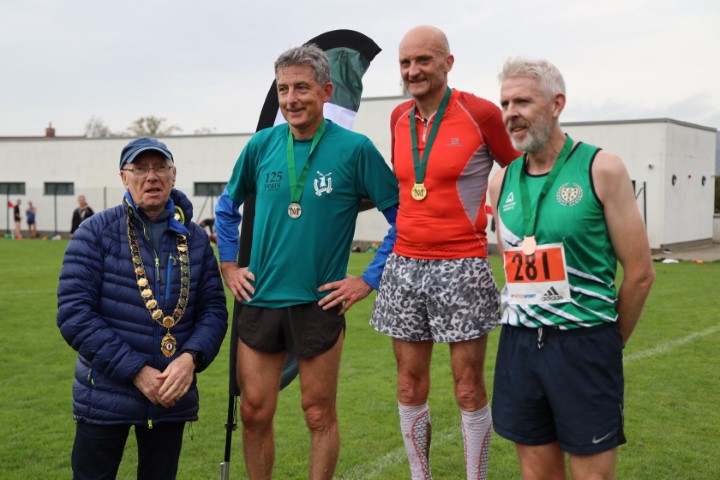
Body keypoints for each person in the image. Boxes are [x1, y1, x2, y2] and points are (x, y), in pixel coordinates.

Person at [214, 44, 399, 480]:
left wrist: (367, 280)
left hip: (320, 302)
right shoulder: (261, 145)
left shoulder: (356, 149)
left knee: (318, 414)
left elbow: (403, 220)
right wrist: (229, 266)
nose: (291, 99)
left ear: (326, 91)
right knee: (254, 411)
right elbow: (226, 208)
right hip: (260, 297)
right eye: (283, 89)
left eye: (302, 87)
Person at [488, 57, 655, 479]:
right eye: (505, 103)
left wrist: (606, 341)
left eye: (523, 101)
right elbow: (512, 263)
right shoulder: (501, 181)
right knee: (536, 474)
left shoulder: (602, 168)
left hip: (585, 343)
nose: (511, 113)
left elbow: (640, 273)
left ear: (557, 104)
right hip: (519, 345)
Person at [369, 25, 520, 480]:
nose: (413, 71)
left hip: (462, 263)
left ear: (448, 63)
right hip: (404, 263)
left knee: (468, 387)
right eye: (405, 62)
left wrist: (509, 230)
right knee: (408, 384)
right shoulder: (397, 117)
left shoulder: (482, 113)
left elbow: (520, 173)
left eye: (424, 60)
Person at [56, 136, 228, 480]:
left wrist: (190, 359)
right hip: (104, 395)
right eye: (140, 169)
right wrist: (136, 370)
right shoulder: (95, 232)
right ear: (124, 177)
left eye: (160, 167)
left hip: (170, 394)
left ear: (173, 175)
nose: (152, 177)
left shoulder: (195, 239)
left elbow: (213, 310)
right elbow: (74, 314)